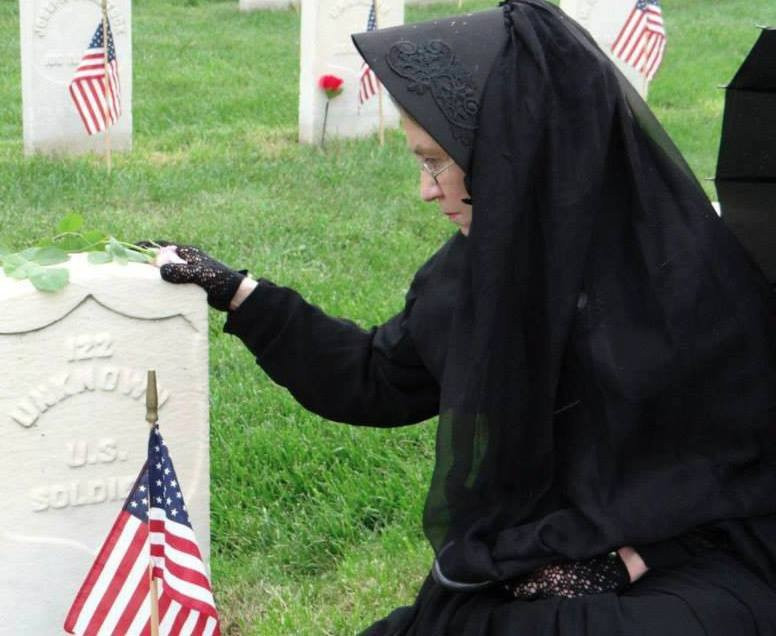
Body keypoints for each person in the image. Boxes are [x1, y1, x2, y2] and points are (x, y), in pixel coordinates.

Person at [149, 1, 776, 633]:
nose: (426, 189)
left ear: (514, 151)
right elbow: (379, 379)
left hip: (697, 559)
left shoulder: (682, 266)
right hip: (539, 553)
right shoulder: (472, 273)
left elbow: (743, 461)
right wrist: (240, 294)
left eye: (435, 161)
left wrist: (635, 557)